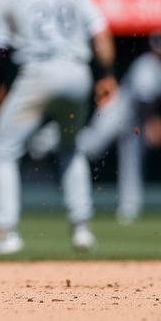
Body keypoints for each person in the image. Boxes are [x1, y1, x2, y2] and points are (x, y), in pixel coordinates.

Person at [0, 0, 117, 255]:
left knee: (3, 151)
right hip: (77, 73)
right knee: (70, 147)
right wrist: (105, 75)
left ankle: (6, 232)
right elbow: (101, 33)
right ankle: (81, 229)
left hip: (38, 73)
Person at [27, 31, 161, 224]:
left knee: (133, 161)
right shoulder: (146, 65)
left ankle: (129, 209)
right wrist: (153, 122)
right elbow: (142, 99)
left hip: (137, 119)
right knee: (91, 147)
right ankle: (52, 136)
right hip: (119, 111)